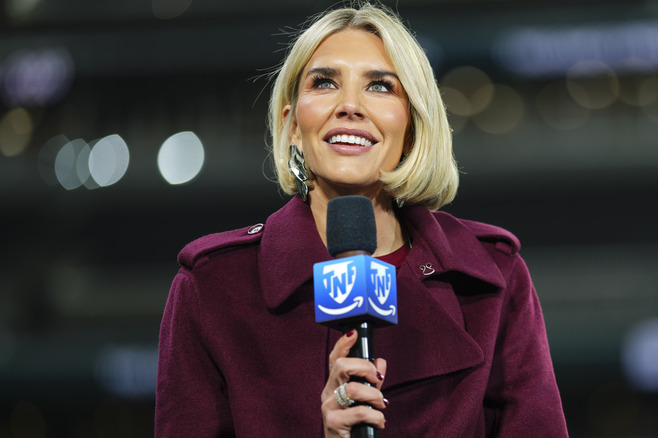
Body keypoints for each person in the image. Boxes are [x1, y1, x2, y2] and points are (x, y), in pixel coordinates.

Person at [155, 2, 568, 437]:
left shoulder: (494, 279)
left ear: (412, 127)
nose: (349, 105)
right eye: (325, 82)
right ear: (293, 124)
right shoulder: (214, 287)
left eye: (380, 87)